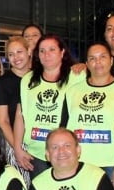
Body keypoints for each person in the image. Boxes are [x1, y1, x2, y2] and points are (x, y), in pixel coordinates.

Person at [62, 42, 114, 187]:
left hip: (111, 165)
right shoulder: (73, 91)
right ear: (87, 64)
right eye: (92, 58)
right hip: (79, 164)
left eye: (102, 57)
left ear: (111, 60)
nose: (98, 62)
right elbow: (64, 128)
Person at [14, 34, 81, 174]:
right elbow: (20, 115)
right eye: (42, 51)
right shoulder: (28, 80)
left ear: (62, 52)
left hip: (66, 151)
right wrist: (17, 148)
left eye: (52, 49)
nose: (46, 54)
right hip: (36, 152)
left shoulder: (77, 77)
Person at [0, 36, 31, 158]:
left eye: (19, 52)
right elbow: (3, 121)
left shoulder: (39, 78)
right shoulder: (1, 83)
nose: (16, 57)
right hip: (15, 144)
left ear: (28, 51)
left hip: (39, 142)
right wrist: (18, 149)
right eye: (11, 54)